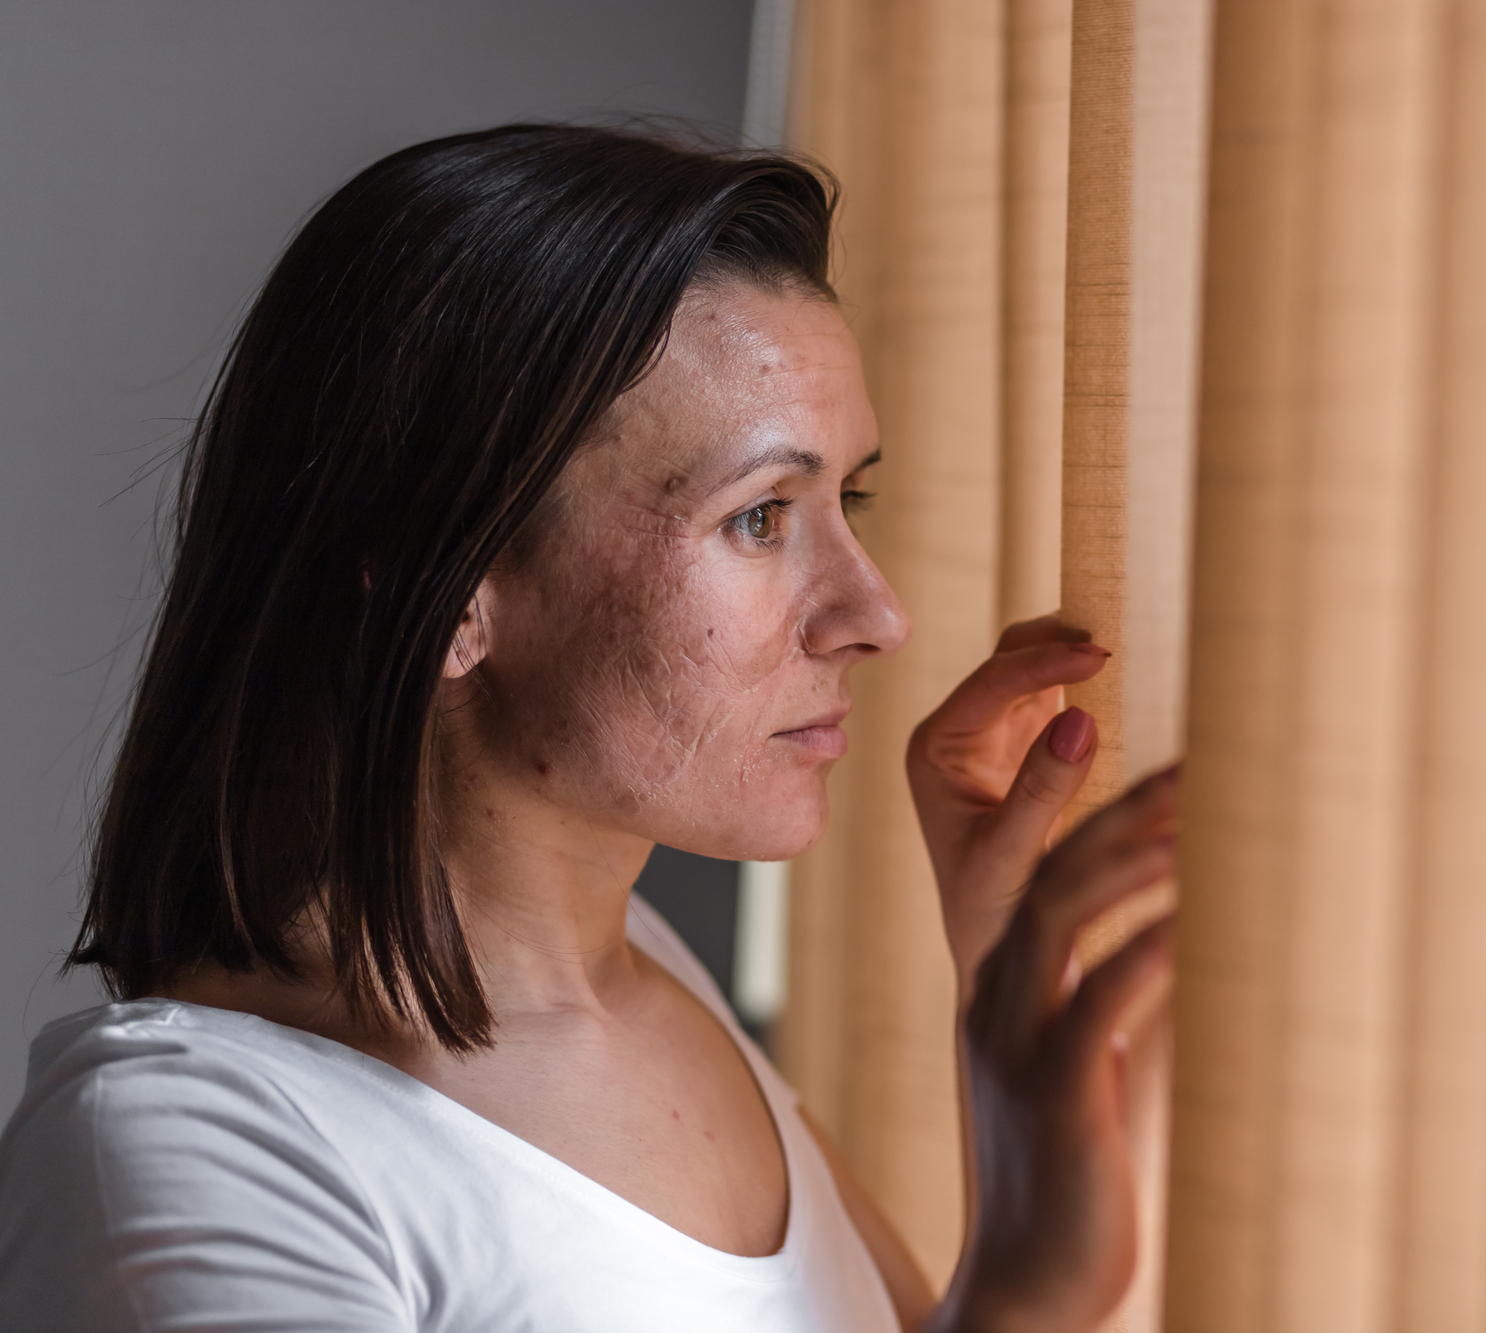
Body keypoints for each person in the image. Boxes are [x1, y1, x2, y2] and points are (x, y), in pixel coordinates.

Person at [0, 124, 1176, 1332]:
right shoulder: (184, 1157)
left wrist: (1015, 990)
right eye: (761, 516)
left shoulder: (644, 971)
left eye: (848, 496)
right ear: (446, 593)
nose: (875, 613)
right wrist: (1030, 1294)